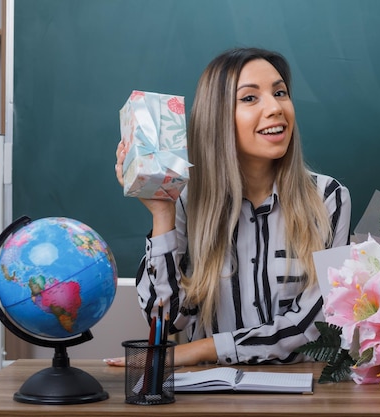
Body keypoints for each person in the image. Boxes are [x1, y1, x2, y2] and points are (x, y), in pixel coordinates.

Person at [108, 47, 351, 367]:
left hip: (303, 394)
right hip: (209, 396)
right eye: (250, 98)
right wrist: (162, 213)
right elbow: (163, 323)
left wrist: (202, 349)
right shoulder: (184, 201)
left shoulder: (328, 198)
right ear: (217, 116)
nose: (275, 107)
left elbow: (315, 325)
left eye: (280, 93)